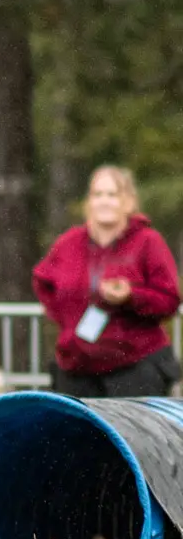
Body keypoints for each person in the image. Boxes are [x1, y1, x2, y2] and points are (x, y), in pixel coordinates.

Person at [32, 165, 181, 398]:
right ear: (88, 202)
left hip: (135, 367)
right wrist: (67, 321)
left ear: (128, 202)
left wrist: (131, 296)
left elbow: (169, 299)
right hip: (77, 368)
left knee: (127, 435)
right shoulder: (69, 243)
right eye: (97, 194)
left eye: (112, 195)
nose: (104, 201)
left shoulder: (148, 242)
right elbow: (43, 281)